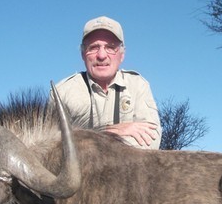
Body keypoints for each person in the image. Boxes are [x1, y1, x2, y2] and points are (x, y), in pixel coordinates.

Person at [53, 16, 161, 149]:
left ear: (122, 54)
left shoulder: (138, 85)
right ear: (82, 54)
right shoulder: (61, 92)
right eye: (93, 47)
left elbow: (151, 140)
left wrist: (83, 140)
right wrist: (112, 131)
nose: (102, 55)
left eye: (110, 47)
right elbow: (53, 147)